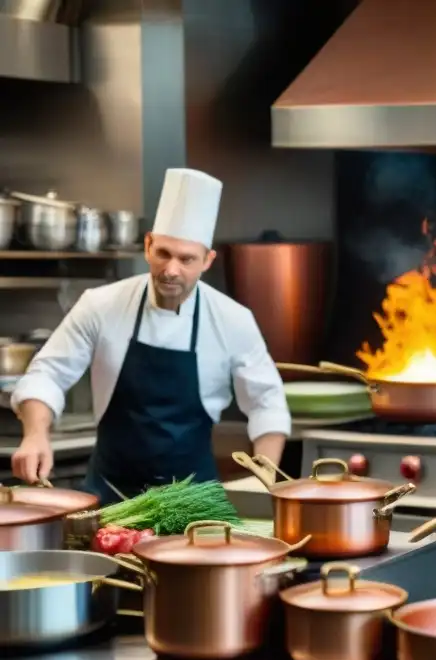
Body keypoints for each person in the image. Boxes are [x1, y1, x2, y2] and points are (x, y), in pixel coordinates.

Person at [11, 168, 290, 505]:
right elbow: (47, 374)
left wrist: (264, 477)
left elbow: (267, 403)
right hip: (109, 500)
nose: (171, 270)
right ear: (147, 245)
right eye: (164, 253)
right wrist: (36, 434)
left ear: (207, 261)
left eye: (186, 259)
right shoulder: (101, 305)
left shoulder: (233, 321)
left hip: (195, 507)